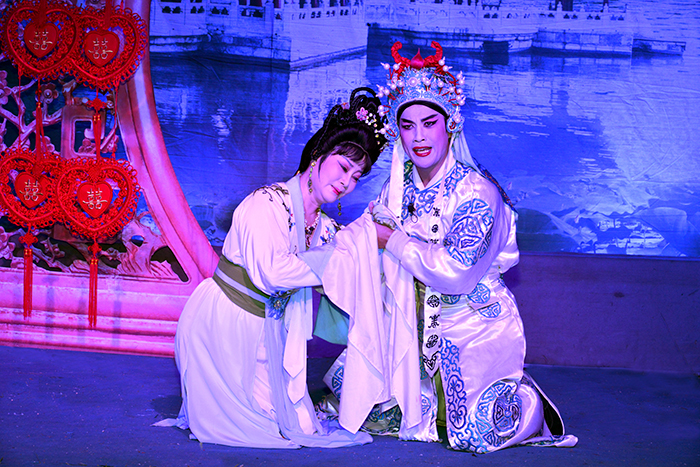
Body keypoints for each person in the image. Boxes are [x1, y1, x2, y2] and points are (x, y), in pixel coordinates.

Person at [318, 41, 578, 453]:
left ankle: (527, 401)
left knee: (475, 435)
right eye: (407, 125)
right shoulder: (396, 187)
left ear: (450, 125)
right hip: (409, 326)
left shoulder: (477, 192)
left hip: (471, 324)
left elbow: (456, 272)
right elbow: (366, 236)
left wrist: (393, 241)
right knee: (356, 404)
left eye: (429, 123)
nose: (419, 136)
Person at [158, 87, 388, 449]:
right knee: (259, 431)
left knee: (300, 426)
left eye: (356, 177)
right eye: (344, 167)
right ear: (318, 154)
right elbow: (275, 273)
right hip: (225, 324)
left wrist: (374, 236)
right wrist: (351, 245)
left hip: (270, 330)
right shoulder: (265, 204)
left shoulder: (324, 227)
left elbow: (348, 262)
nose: (346, 183)